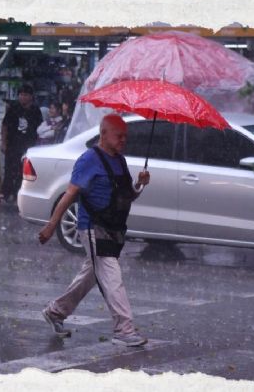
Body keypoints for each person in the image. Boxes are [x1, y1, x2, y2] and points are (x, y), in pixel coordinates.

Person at [38, 114, 151, 347]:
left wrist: (140, 184)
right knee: (111, 275)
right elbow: (70, 194)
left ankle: (55, 312)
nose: (123, 141)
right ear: (103, 134)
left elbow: (127, 195)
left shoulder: (119, 160)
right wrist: (51, 225)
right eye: (119, 136)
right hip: (92, 227)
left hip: (113, 228)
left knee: (90, 275)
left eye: (125, 137)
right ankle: (124, 329)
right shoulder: (89, 160)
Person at [0, 84, 42, 202]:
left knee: (23, 171)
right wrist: (3, 142)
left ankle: (18, 194)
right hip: (12, 144)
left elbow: (40, 128)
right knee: (9, 170)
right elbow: (5, 126)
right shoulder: (13, 108)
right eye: (21, 95)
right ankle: (6, 194)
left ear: (30, 97)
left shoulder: (35, 110)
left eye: (25, 95)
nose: (22, 97)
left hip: (28, 146)